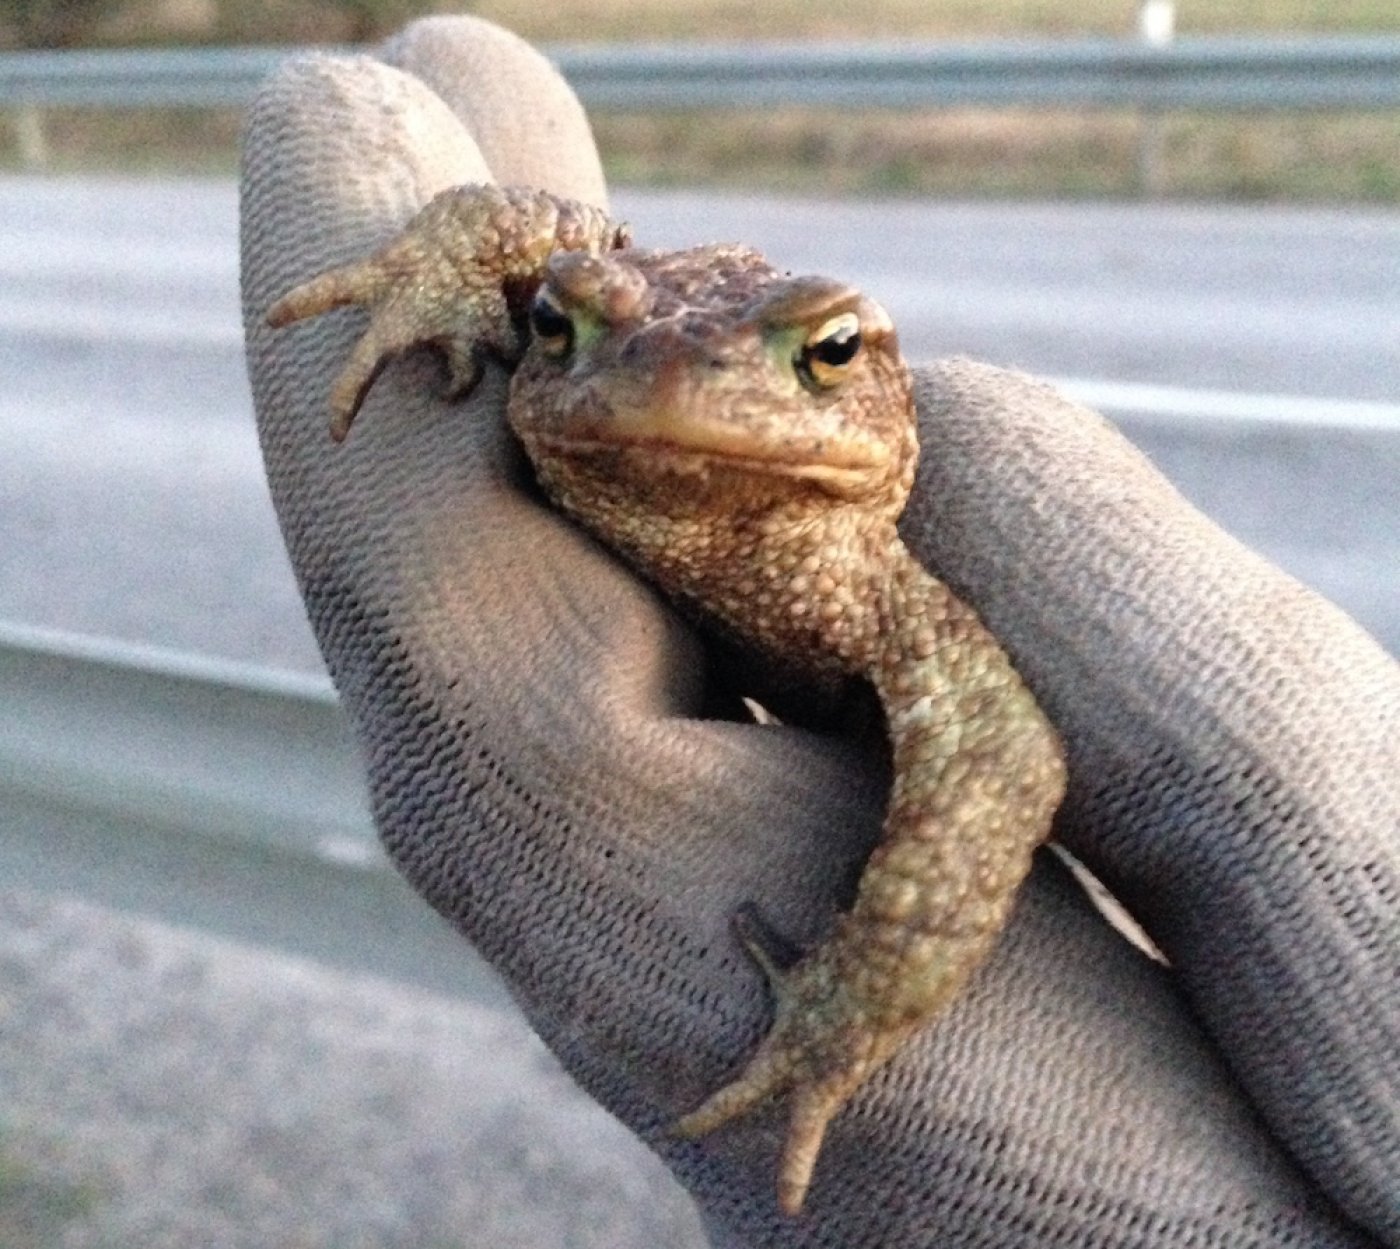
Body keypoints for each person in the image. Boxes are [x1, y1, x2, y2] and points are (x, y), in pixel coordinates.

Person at [241, 18, 1397, 1247]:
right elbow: (531, 232)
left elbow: (996, 762)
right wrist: (445, 278)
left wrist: (858, 992)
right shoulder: (594, 327)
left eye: (825, 353)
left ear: (862, 371)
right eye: (566, 334)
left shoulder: (866, 574)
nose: (681, 387)